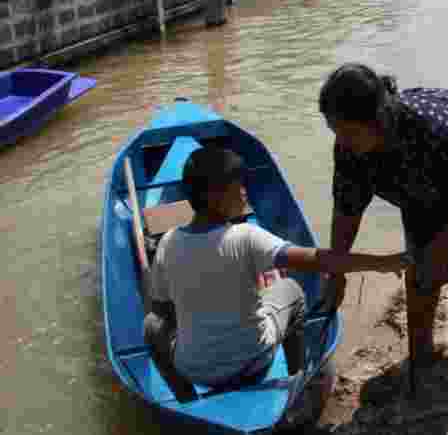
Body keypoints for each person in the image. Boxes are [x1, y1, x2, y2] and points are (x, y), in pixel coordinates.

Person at [321, 64, 448, 395]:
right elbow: (347, 209)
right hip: (423, 194)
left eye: (348, 132)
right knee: (419, 271)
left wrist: (442, 248)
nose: (341, 142)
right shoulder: (350, 147)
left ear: (379, 119)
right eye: (335, 132)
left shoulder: (437, 130)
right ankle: (421, 355)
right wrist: (336, 272)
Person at [145, 147, 406, 394]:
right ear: (215, 197)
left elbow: (162, 311)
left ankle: (185, 396)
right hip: (253, 363)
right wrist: (382, 263)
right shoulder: (245, 236)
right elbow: (318, 260)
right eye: (239, 188)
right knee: (291, 289)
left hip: (196, 371)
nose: (245, 194)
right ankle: (297, 379)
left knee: (151, 326)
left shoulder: (168, 242)